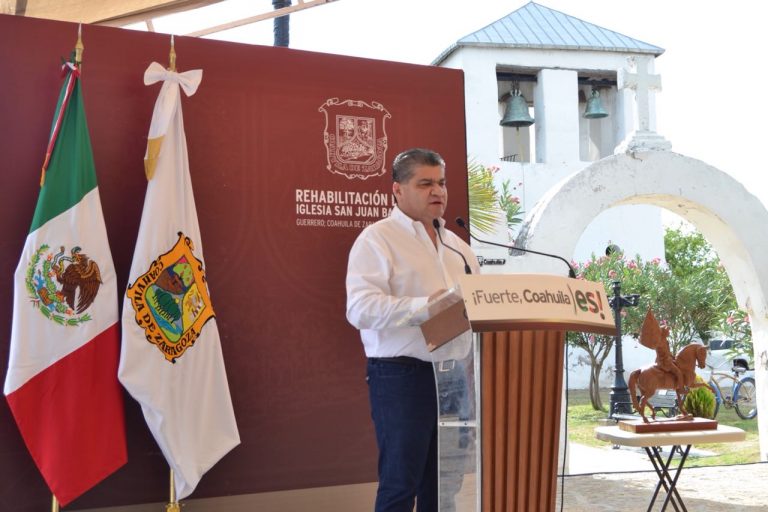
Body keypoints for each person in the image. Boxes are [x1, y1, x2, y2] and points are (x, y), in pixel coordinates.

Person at [345, 148, 480, 512]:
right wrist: (423, 308)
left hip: (454, 378)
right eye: (425, 183)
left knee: (445, 486)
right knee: (401, 484)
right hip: (402, 376)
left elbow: (477, 306)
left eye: (441, 182)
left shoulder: (460, 249)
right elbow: (359, 308)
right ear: (397, 190)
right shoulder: (377, 240)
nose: (438, 191)